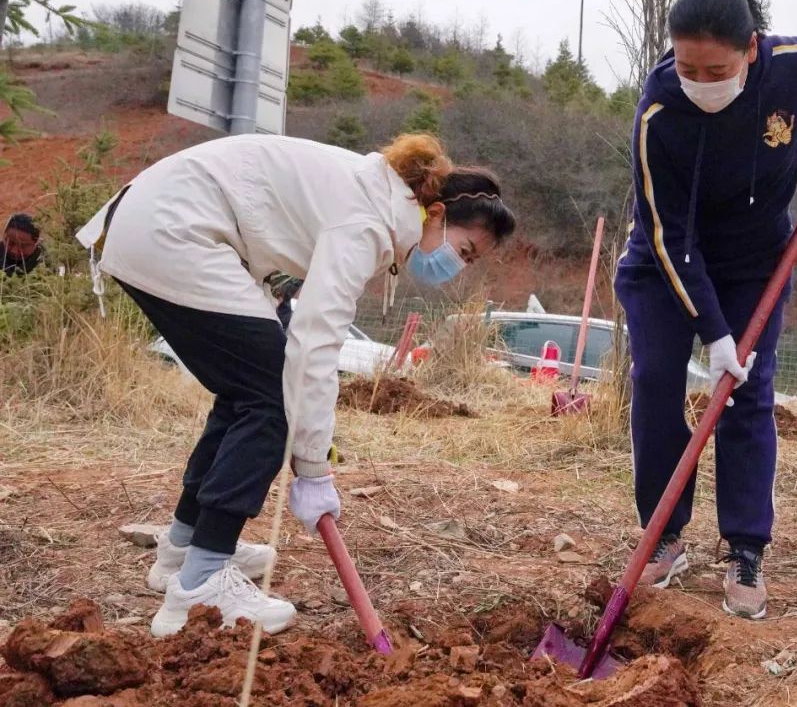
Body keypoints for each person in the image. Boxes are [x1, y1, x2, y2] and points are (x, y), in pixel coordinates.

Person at [76, 133, 515, 637]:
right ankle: (200, 584)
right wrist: (313, 470)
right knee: (271, 395)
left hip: (163, 223)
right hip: (174, 231)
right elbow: (316, 345)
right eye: (463, 250)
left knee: (249, 386)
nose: (455, 266)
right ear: (434, 213)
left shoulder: (377, 200)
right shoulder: (367, 222)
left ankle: (184, 546)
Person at [615, 0, 797, 619]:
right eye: (686, 66)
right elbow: (669, 238)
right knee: (654, 384)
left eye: (716, 70)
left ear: (750, 51)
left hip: (755, 262)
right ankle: (664, 533)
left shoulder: (790, 66)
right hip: (665, 265)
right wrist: (714, 331)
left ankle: (746, 548)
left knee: (749, 394)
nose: (700, 81)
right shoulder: (658, 114)